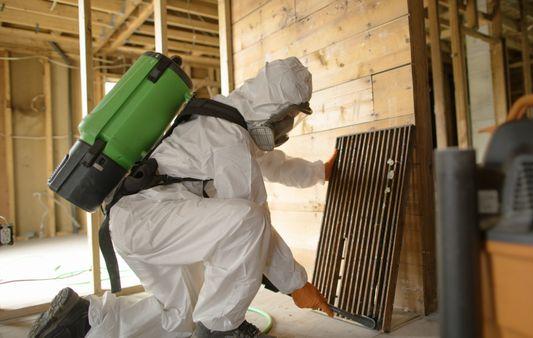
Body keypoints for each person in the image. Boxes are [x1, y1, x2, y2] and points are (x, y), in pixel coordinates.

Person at [29, 57, 336, 338]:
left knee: (180, 316)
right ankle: (219, 329)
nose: (289, 124)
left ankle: (84, 320)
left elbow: (274, 164)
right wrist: (297, 285)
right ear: (273, 106)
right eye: (290, 114)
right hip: (150, 221)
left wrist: (319, 172)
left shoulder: (228, 120)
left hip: (141, 222)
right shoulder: (230, 138)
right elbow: (251, 225)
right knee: (248, 221)